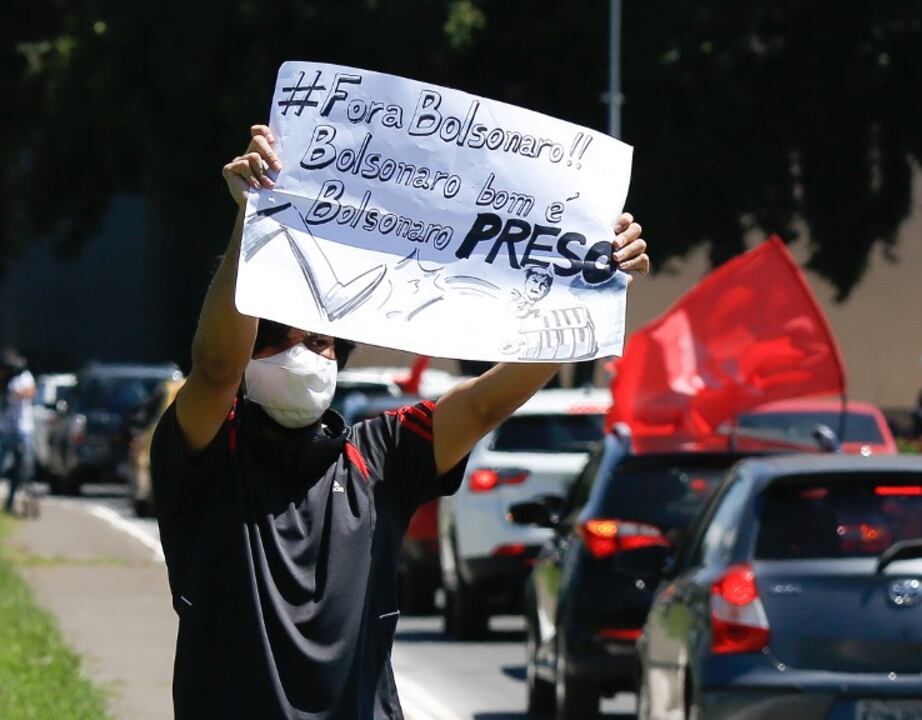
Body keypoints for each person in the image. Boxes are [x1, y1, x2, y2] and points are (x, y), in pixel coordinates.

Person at [150, 125, 650, 719]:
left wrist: (589, 285)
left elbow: (488, 402)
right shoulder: (208, 451)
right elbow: (213, 368)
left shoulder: (379, 455)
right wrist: (255, 219)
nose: (305, 355)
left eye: (319, 341)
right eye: (277, 342)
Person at [1, 349, 36, 516]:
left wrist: (15, 392)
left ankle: (13, 499)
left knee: (24, 467)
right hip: (5, 429)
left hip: (23, 428)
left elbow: (31, 392)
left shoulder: (24, 377)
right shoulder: (3, 378)